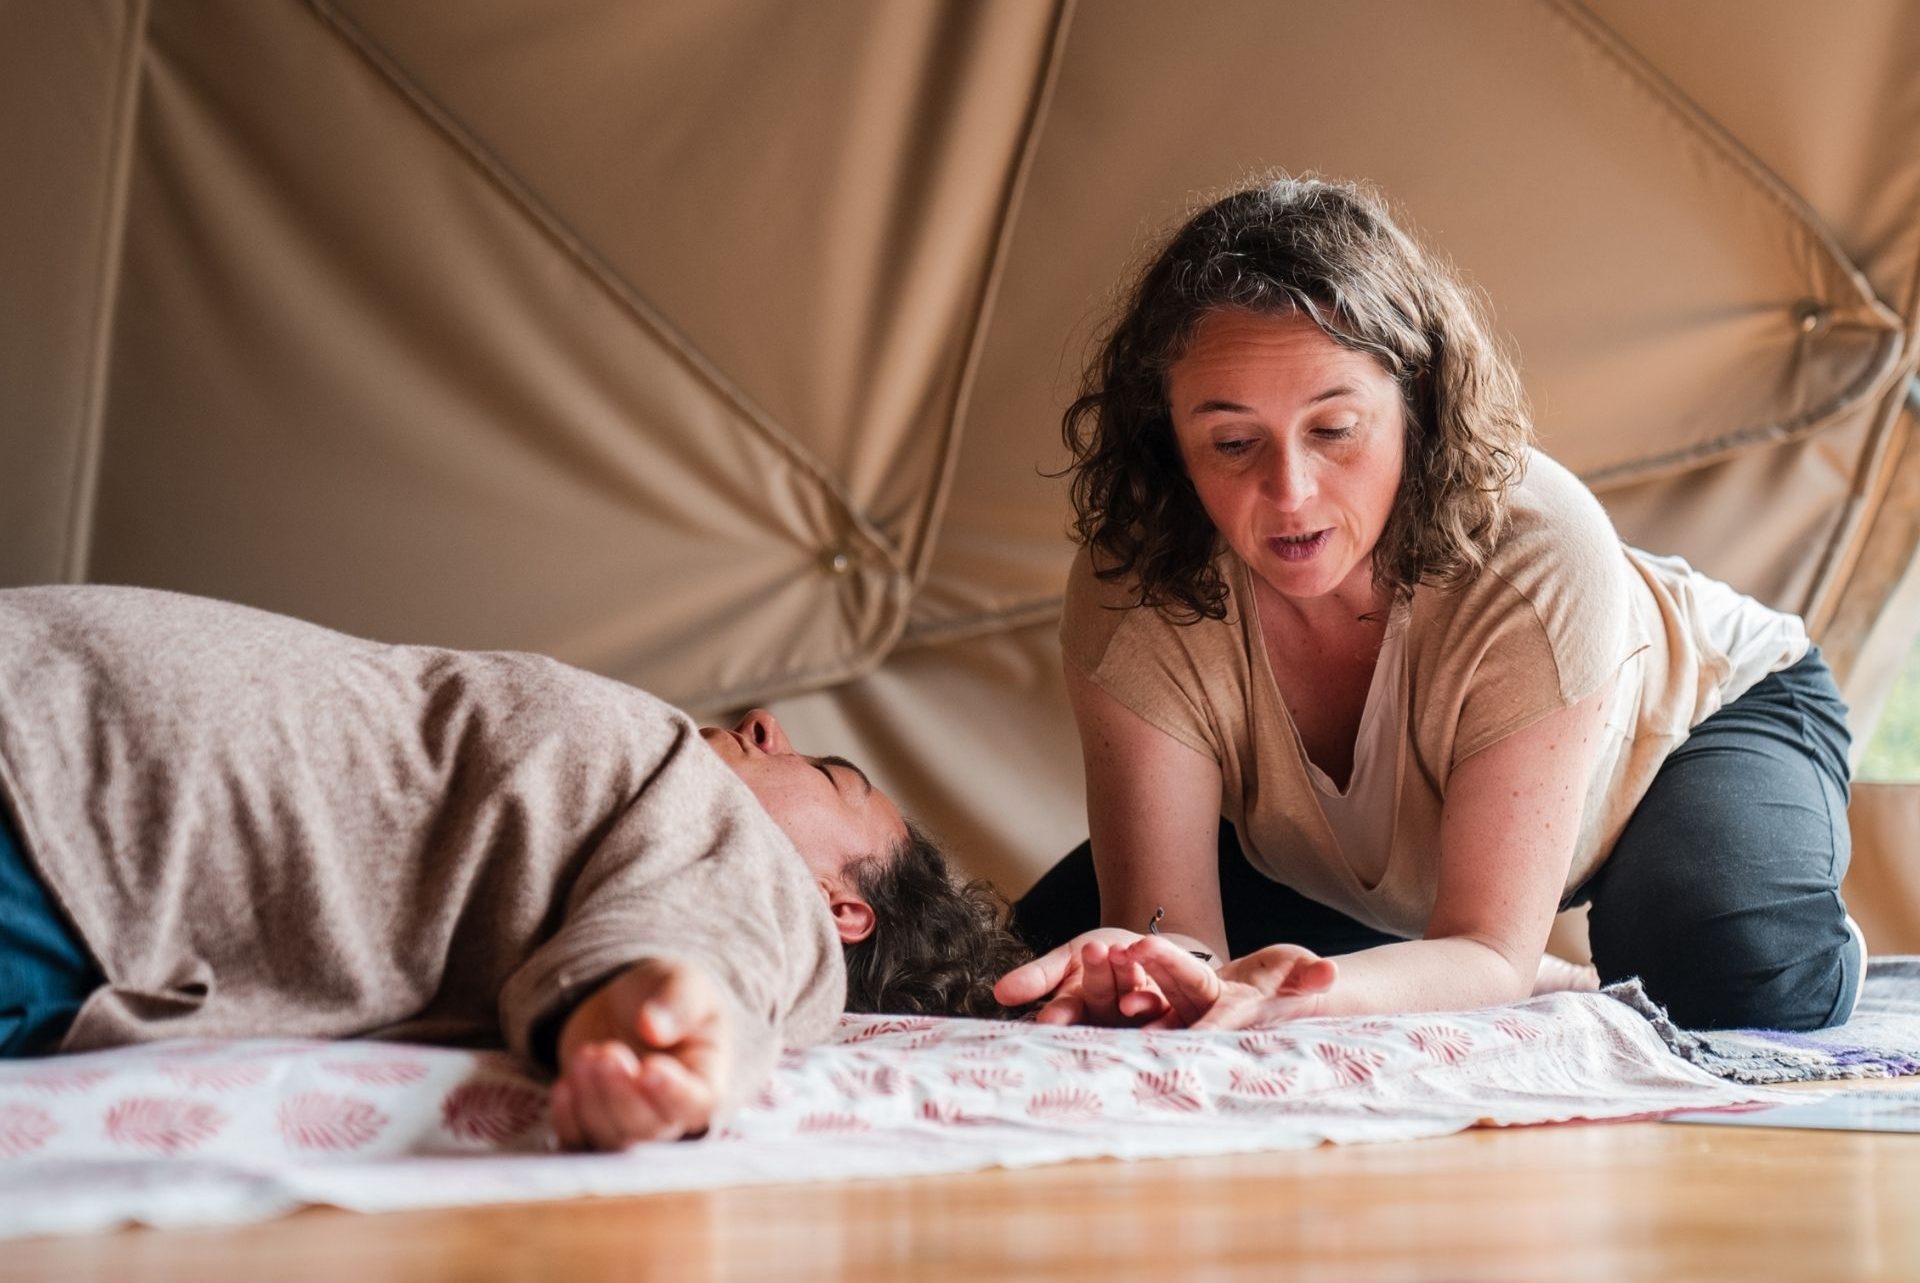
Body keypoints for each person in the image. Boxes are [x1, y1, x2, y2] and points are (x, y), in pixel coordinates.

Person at [998, 175, 1863, 1035]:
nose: (1290, 492)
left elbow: (1483, 944)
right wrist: (1175, 977)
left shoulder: (1538, 554)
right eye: (1231, 442)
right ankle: (1544, 976)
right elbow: (1175, 941)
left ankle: (1786, 928)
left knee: (1722, 970)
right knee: (1044, 972)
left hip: (1695, 724)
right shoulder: (1136, 580)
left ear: (1416, 407)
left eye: (1335, 431)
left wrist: (1309, 994)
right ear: (1169, 442)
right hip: (1365, 869)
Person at [0, 585, 1026, 1152]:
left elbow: (718, 940)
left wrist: (671, 1013)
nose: (769, 724)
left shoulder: (755, 871)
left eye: (829, 774)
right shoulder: (656, 789)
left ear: (838, 906)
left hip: (60, 834)